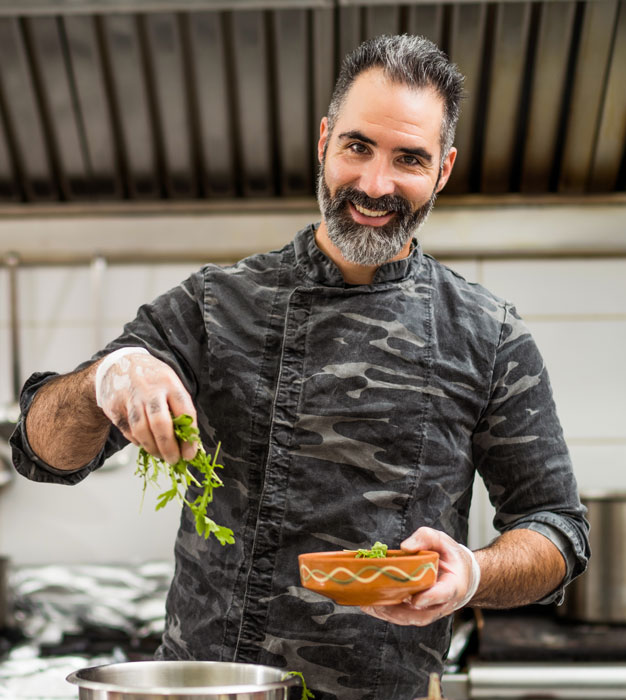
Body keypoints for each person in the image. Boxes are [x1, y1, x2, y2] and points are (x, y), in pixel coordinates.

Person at [11, 34, 589, 700]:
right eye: (357, 147)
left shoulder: (488, 335)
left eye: (408, 159)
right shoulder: (213, 306)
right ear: (323, 141)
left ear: (444, 170)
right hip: (213, 692)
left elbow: (557, 530)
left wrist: (474, 574)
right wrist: (104, 380)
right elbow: (42, 453)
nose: (375, 185)